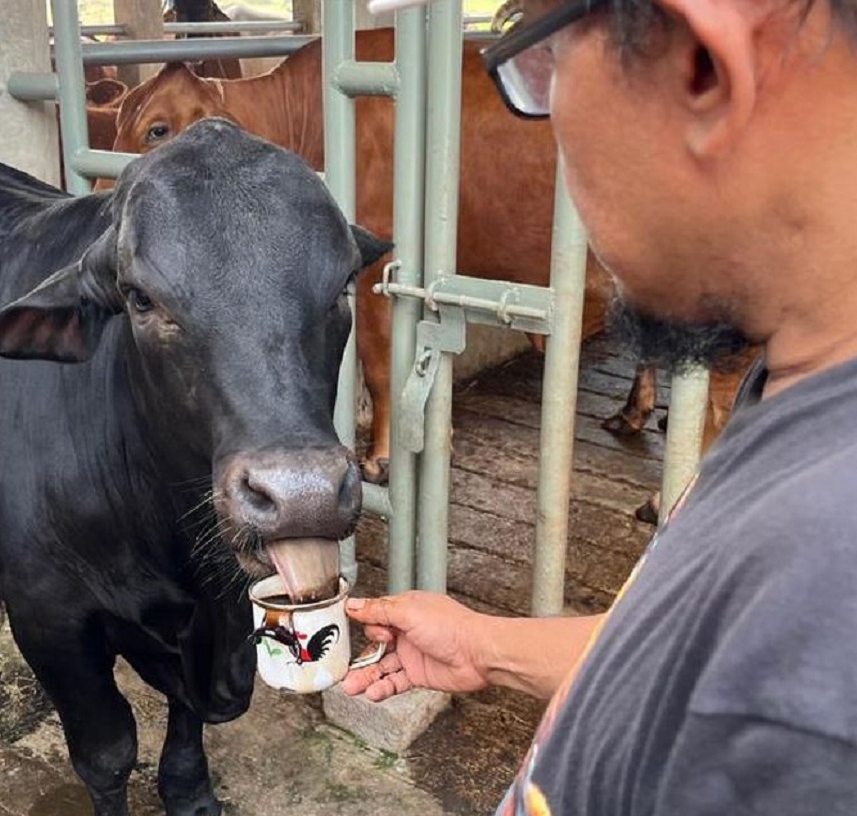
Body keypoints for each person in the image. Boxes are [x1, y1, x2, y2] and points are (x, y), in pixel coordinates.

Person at [344, 0, 857, 812]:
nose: (543, 124)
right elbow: (708, 655)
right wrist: (489, 645)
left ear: (699, 61)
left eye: (536, 57)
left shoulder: (822, 637)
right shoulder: (805, 391)